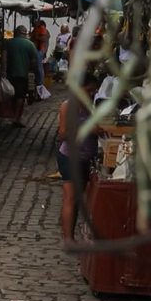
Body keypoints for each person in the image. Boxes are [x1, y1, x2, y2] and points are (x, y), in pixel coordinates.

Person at [56, 73, 100, 240]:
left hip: (86, 157)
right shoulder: (68, 106)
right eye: (89, 90)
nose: (92, 93)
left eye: (94, 90)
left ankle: (70, 233)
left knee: (77, 199)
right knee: (70, 197)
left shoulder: (90, 106)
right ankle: (68, 238)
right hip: (70, 158)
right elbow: (63, 134)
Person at [2, 25, 38, 127]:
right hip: (23, 74)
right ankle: (16, 118)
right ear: (25, 33)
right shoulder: (30, 44)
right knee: (20, 96)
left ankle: (12, 115)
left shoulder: (8, 43)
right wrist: (33, 74)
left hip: (10, 74)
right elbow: (34, 62)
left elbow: (4, 58)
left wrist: (3, 71)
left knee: (10, 94)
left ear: (16, 32)